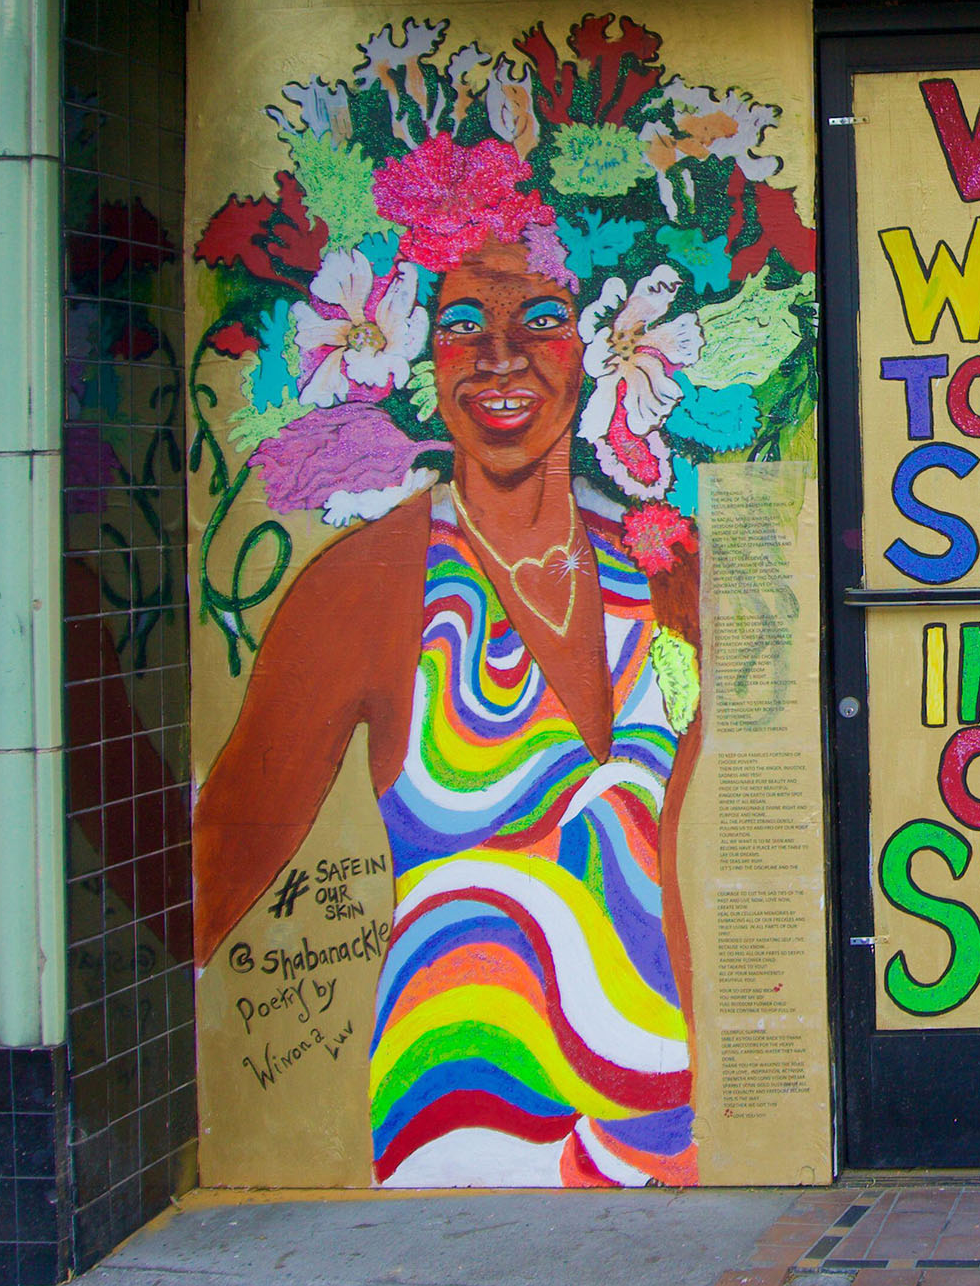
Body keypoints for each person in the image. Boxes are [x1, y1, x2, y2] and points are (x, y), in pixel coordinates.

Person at [193, 236, 702, 1188]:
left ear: (599, 345)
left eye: (542, 322)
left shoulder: (667, 568)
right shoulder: (370, 587)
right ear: (417, 362)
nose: (501, 359)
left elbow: (685, 861)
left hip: (661, 1119)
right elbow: (218, 860)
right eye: (464, 325)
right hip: (456, 1133)